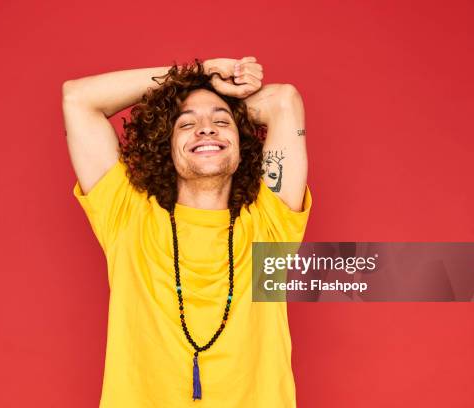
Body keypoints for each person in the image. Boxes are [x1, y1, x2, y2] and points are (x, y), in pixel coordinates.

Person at [62, 56, 312, 407]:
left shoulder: (271, 227)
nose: (207, 129)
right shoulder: (127, 215)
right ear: (166, 147)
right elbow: (78, 99)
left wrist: (214, 90)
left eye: (222, 122)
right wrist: (196, 73)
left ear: (243, 146)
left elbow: (283, 101)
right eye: (185, 124)